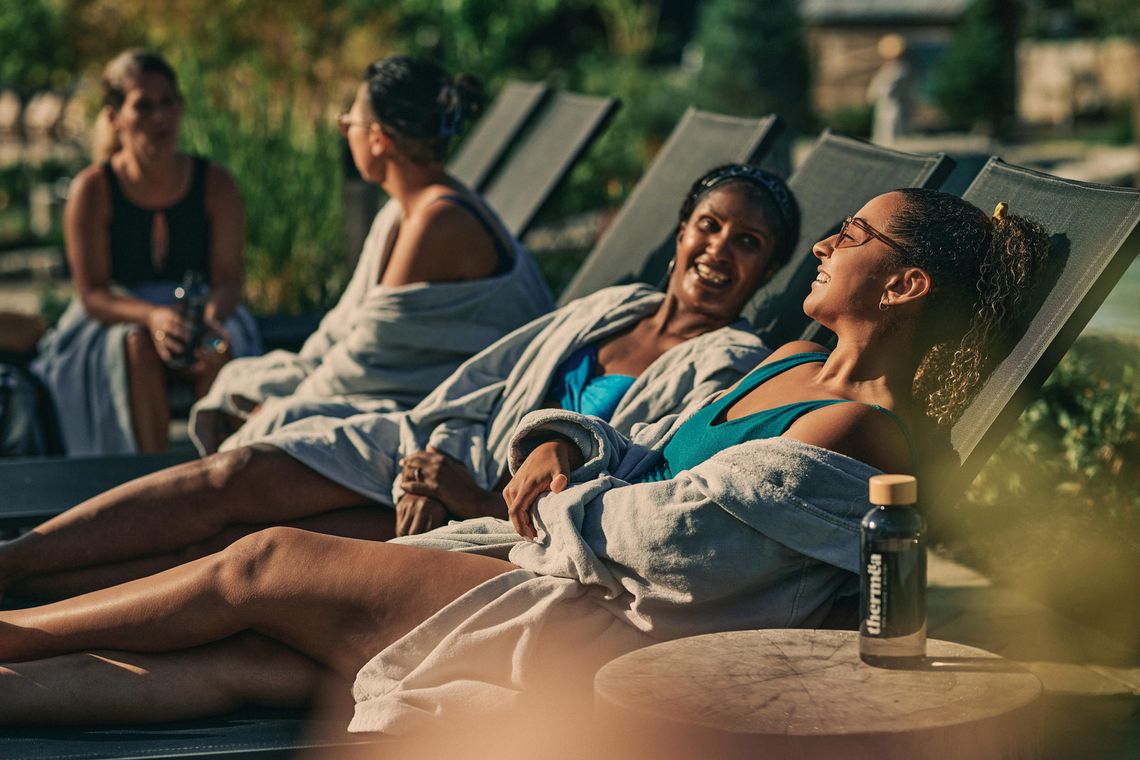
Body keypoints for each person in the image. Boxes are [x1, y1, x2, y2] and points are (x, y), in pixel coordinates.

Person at [0, 189, 1049, 732]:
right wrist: (562, 439)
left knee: (262, 564)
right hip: (547, 554)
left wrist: (552, 508)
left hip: (595, 614)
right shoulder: (783, 362)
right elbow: (638, 445)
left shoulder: (864, 436)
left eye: (853, 235)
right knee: (250, 666)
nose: (825, 245)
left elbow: (678, 546)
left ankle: (12, 627)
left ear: (904, 287)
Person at [0, 163, 799, 596]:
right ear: (681, 231)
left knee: (232, 546)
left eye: (749, 243)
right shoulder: (613, 306)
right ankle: (20, 562)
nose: (719, 251)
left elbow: (641, 485)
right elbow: (480, 388)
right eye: (709, 225)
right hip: (437, 449)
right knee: (236, 471)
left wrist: (473, 494)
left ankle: (36, 615)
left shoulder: (727, 362)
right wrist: (432, 462)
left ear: (766, 271)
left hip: (504, 523)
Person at [188, 56, 553, 455]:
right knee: (244, 384)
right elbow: (349, 327)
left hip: (466, 410)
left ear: (378, 138)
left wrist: (281, 405)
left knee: (278, 425)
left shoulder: (437, 221)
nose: (345, 133)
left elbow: (368, 355)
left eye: (350, 124)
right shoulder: (404, 209)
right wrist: (290, 383)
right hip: (404, 384)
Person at [30, 50, 261, 455]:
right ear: (115, 116)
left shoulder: (216, 184)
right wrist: (152, 317)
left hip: (203, 306)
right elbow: (94, 294)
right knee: (135, 346)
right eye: (144, 106)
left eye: (168, 102)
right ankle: (148, 480)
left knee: (216, 349)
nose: (160, 117)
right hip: (117, 314)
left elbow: (227, 280)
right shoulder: (93, 190)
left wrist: (205, 321)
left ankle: (220, 476)